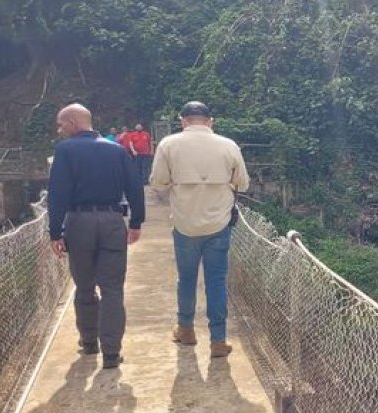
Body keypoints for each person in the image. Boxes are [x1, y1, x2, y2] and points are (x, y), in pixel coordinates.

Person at [48, 103, 145, 369]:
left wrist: (55, 231)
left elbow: (58, 193)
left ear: (72, 122)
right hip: (113, 221)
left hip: (79, 222)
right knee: (112, 289)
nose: (59, 130)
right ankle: (111, 353)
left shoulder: (65, 150)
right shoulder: (117, 150)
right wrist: (136, 222)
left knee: (84, 286)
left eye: (61, 124)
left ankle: (90, 342)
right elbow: (135, 187)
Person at [150, 101, 249, 358]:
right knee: (216, 281)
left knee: (186, 279)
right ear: (210, 121)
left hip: (185, 224)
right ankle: (218, 341)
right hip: (218, 225)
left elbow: (158, 183)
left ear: (183, 120)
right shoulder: (228, 146)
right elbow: (243, 183)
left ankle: (186, 330)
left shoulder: (168, 144)